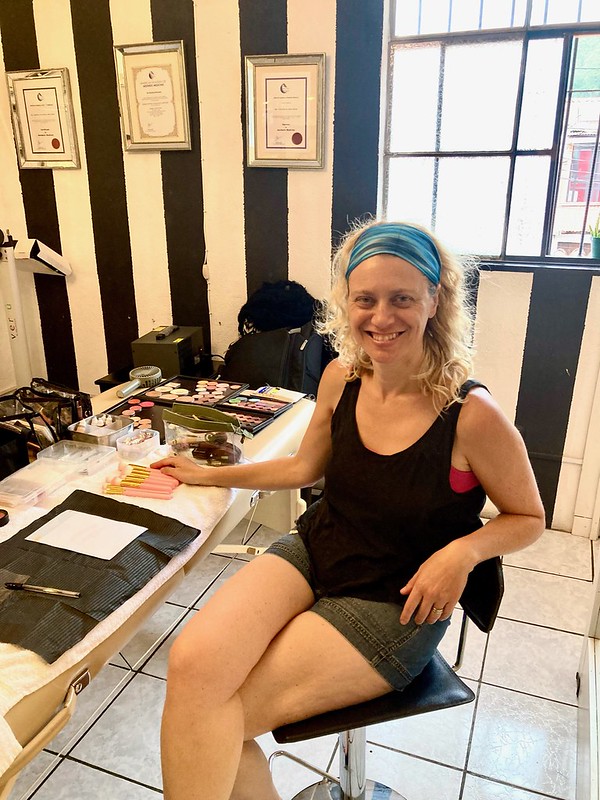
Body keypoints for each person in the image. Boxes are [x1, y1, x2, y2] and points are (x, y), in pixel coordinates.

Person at [152, 220, 545, 800]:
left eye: (402, 298)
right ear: (346, 301)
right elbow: (304, 468)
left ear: (435, 301)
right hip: (320, 548)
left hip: (397, 597)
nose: (381, 318)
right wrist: (210, 474)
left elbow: (529, 518)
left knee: (217, 714)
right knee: (191, 666)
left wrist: (464, 552)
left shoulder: (471, 413)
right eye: (365, 299)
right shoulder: (342, 374)